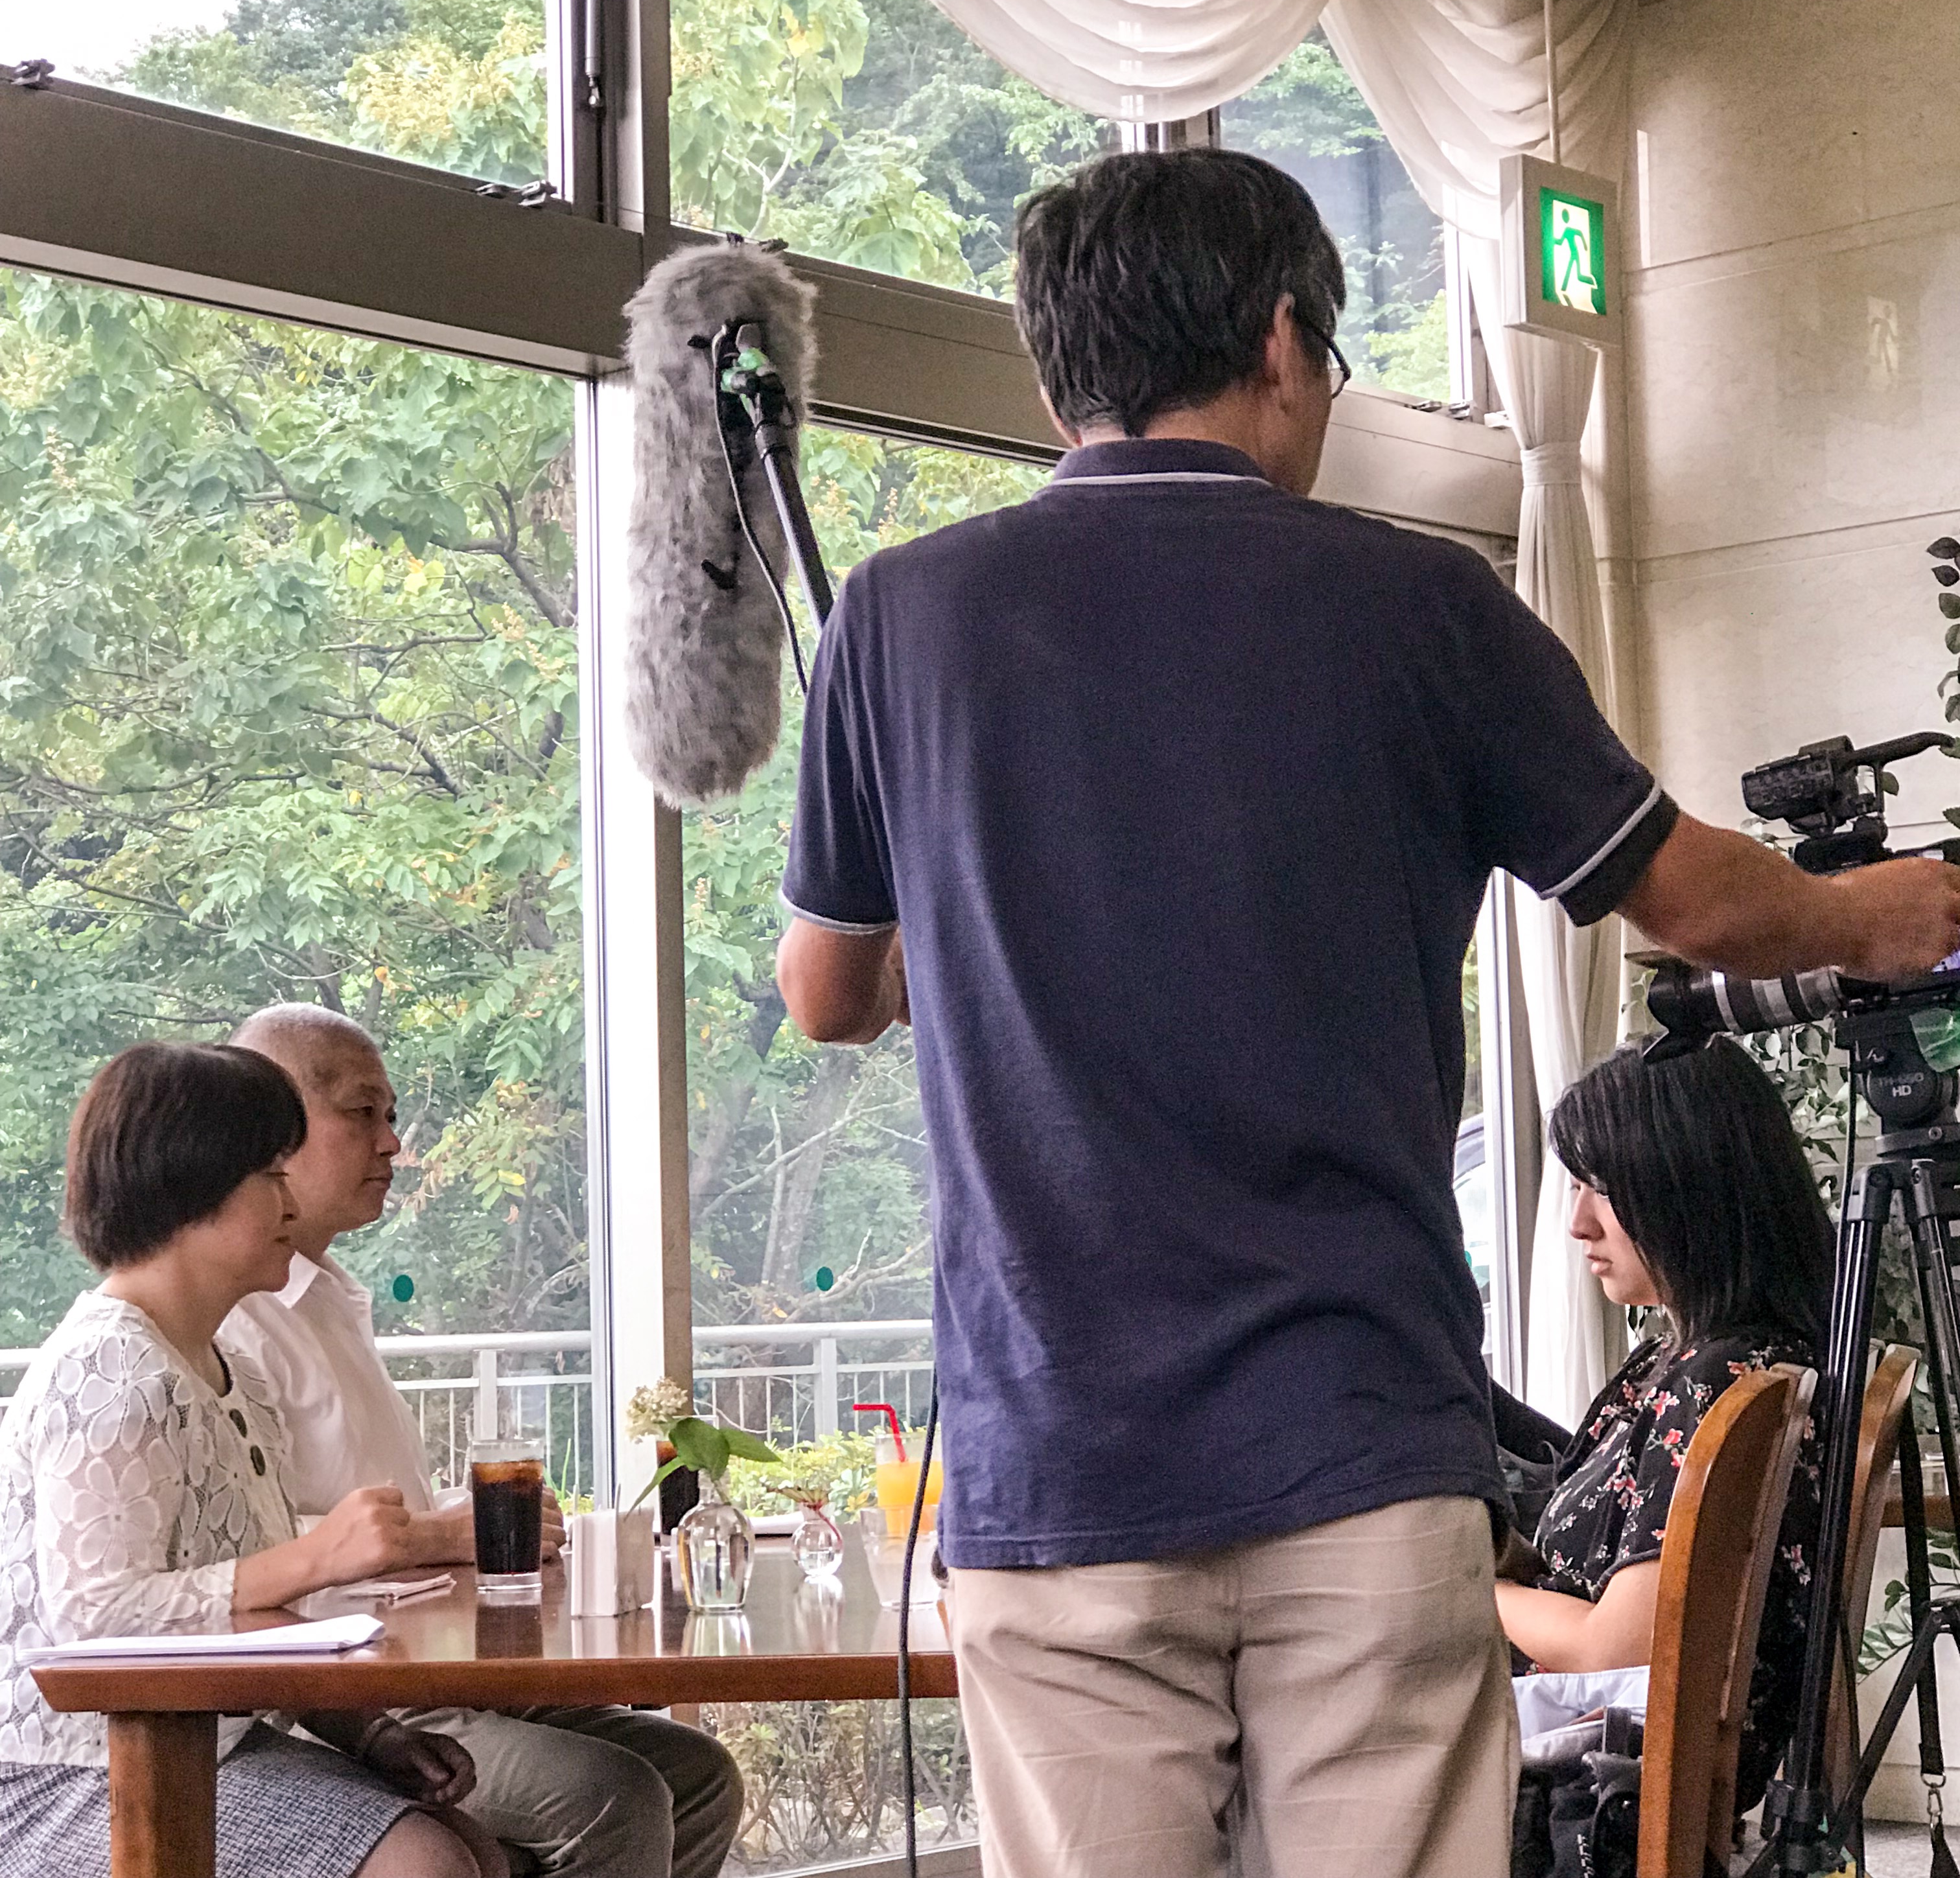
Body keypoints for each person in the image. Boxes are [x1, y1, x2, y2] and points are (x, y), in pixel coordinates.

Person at [770, 147, 1960, 1878]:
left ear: (1053, 378)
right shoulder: (1422, 606)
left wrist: (979, 915)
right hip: (1361, 1455)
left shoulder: (900, 615)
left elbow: (828, 993)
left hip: (1065, 1475)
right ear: (1281, 340)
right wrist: (1870, 914)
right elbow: (1685, 897)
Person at [221, 1003, 742, 1878]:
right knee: (612, 1795)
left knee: (699, 1774)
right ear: (270, 1127)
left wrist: (470, 1527)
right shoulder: (237, 1318)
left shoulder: (327, 1297)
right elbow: (254, 1558)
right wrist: (440, 1536)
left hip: (423, 1668)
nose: (393, 1143)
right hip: (341, 1695)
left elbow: (355, 1510)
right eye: (362, 1113)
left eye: (392, 1115)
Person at [0, 1042, 504, 1878]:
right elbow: (97, 1618)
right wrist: (317, 1557)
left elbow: (237, 1621)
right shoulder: (112, 1371)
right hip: (63, 1772)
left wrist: (373, 1735)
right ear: (187, 1188)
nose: (291, 1201)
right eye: (272, 1175)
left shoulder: (230, 1373)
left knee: (470, 1848)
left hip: (203, 1734)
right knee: (427, 1864)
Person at [1494, 1039, 1828, 1812]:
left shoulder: (1721, 1381)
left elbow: (1613, 1651)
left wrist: (1464, 1584)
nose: (1578, 1223)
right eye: (1576, 1186)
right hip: (1577, 1743)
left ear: (1689, 1188)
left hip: (1583, 1776)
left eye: (1603, 1189)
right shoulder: (1697, 1357)